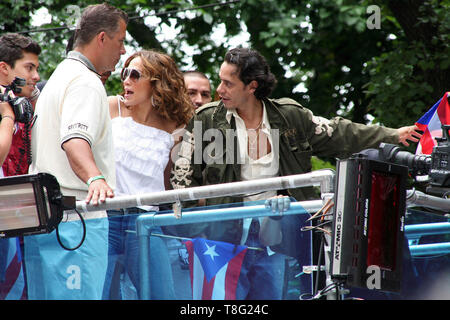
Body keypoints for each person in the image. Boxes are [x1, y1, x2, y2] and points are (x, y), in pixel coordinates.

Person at [170, 47, 422, 299]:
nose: (219, 90)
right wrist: (199, 230)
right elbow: (181, 181)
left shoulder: (290, 116)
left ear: (252, 86)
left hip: (283, 238)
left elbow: (340, 133)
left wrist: (391, 134)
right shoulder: (207, 120)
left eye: (228, 83)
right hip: (223, 239)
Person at [103, 50, 194, 299]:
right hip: (106, 216)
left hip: (145, 221)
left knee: (163, 295)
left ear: (157, 82)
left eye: (134, 74)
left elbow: (167, 183)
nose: (126, 80)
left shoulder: (175, 125)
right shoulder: (111, 106)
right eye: (125, 73)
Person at [29, 3, 128, 207]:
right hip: (78, 213)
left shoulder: (61, 75)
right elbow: (75, 139)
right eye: (120, 41)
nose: (123, 50)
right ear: (102, 38)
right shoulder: (86, 80)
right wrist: (95, 179)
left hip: (48, 210)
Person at [0, 32, 41, 300]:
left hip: (21, 222)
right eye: (29, 68)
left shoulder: (21, 106)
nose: (36, 76)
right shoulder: (7, 110)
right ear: (4, 69)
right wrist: (6, 116)